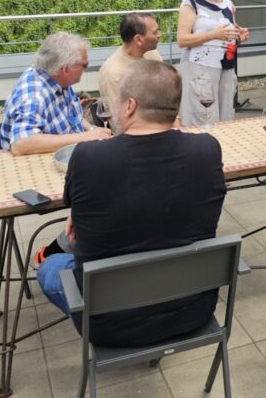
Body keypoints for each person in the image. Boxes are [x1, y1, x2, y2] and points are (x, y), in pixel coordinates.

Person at [36, 60, 227, 348]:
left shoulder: (88, 157)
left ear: (130, 106)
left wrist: (80, 212)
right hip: (192, 311)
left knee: (50, 266)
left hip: (109, 327)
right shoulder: (208, 149)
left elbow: (81, 209)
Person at [0, 31, 111, 156]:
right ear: (65, 69)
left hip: (69, 154)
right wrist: (86, 137)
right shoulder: (34, 95)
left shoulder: (57, 77)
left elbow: (73, 116)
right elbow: (21, 144)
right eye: (85, 65)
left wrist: (92, 130)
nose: (86, 69)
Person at [177, 0, 249, 125]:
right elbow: (182, 40)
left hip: (226, 70)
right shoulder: (191, 2)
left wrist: (239, 37)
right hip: (200, 71)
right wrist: (214, 35)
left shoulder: (228, 4)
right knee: (203, 119)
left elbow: (228, 37)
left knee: (226, 119)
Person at [96, 12, 163, 111]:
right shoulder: (113, 72)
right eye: (155, 32)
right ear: (138, 39)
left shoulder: (152, 54)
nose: (159, 35)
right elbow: (118, 116)